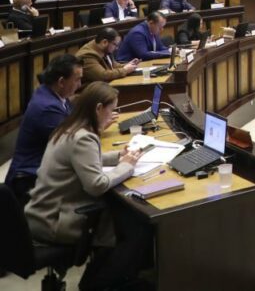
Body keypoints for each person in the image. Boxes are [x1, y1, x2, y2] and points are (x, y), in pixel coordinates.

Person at [25, 81, 149, 290]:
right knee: (134, 226)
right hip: (56, 221)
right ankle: (102, 283)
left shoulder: (69, 128)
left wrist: (118, 156)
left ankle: (101, 279)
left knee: (124, 217)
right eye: (112, 109)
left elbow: (87, 159)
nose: (114, 114)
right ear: (98, 108)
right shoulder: (83, 138)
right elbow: (96, 185)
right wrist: (127, 167)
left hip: (42, 213)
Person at [4, 55, 83, 204]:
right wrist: (96, 124)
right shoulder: (47, 107)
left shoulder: (54, 94)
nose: (80, 84)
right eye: (77, 79)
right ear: (61, 82)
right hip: (30, 177)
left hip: (44, 166)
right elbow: (72, 143)